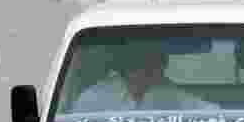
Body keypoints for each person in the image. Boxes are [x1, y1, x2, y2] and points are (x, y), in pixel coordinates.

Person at [73, 44, 218, 112]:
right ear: (125, 69)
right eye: (140, 66)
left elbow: (212, 113)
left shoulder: (172, 95)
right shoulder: (95, 97)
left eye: (156, 67)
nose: (151, 73)